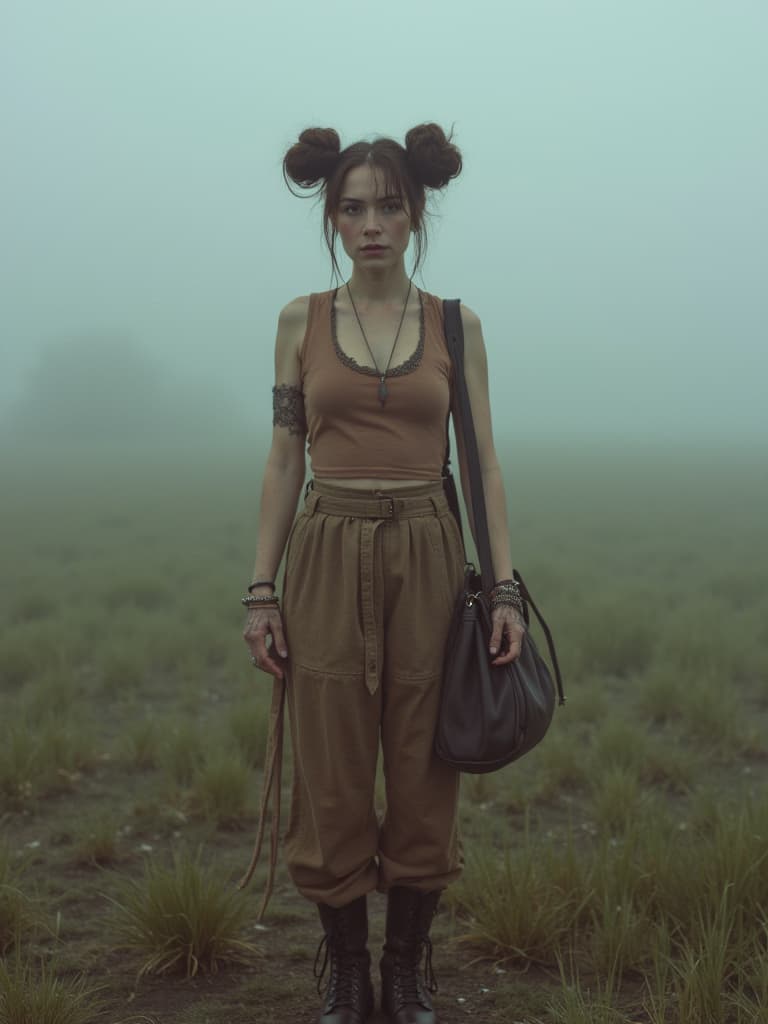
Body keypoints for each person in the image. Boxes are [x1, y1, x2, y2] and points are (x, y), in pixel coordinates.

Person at [241, 123, 525, 1024]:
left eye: (389, 206)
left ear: (416, 213)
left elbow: (481, 460)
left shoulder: (455, 324)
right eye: (353, 207)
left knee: (421, 760)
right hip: (326, 549)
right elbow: (286, 457)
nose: (372, 224)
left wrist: (504, 586)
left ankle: (404, 973)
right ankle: (348, 975)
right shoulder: (300, 320)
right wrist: (260, 589)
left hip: (429, 551)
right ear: (332, 216)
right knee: (330, 763)